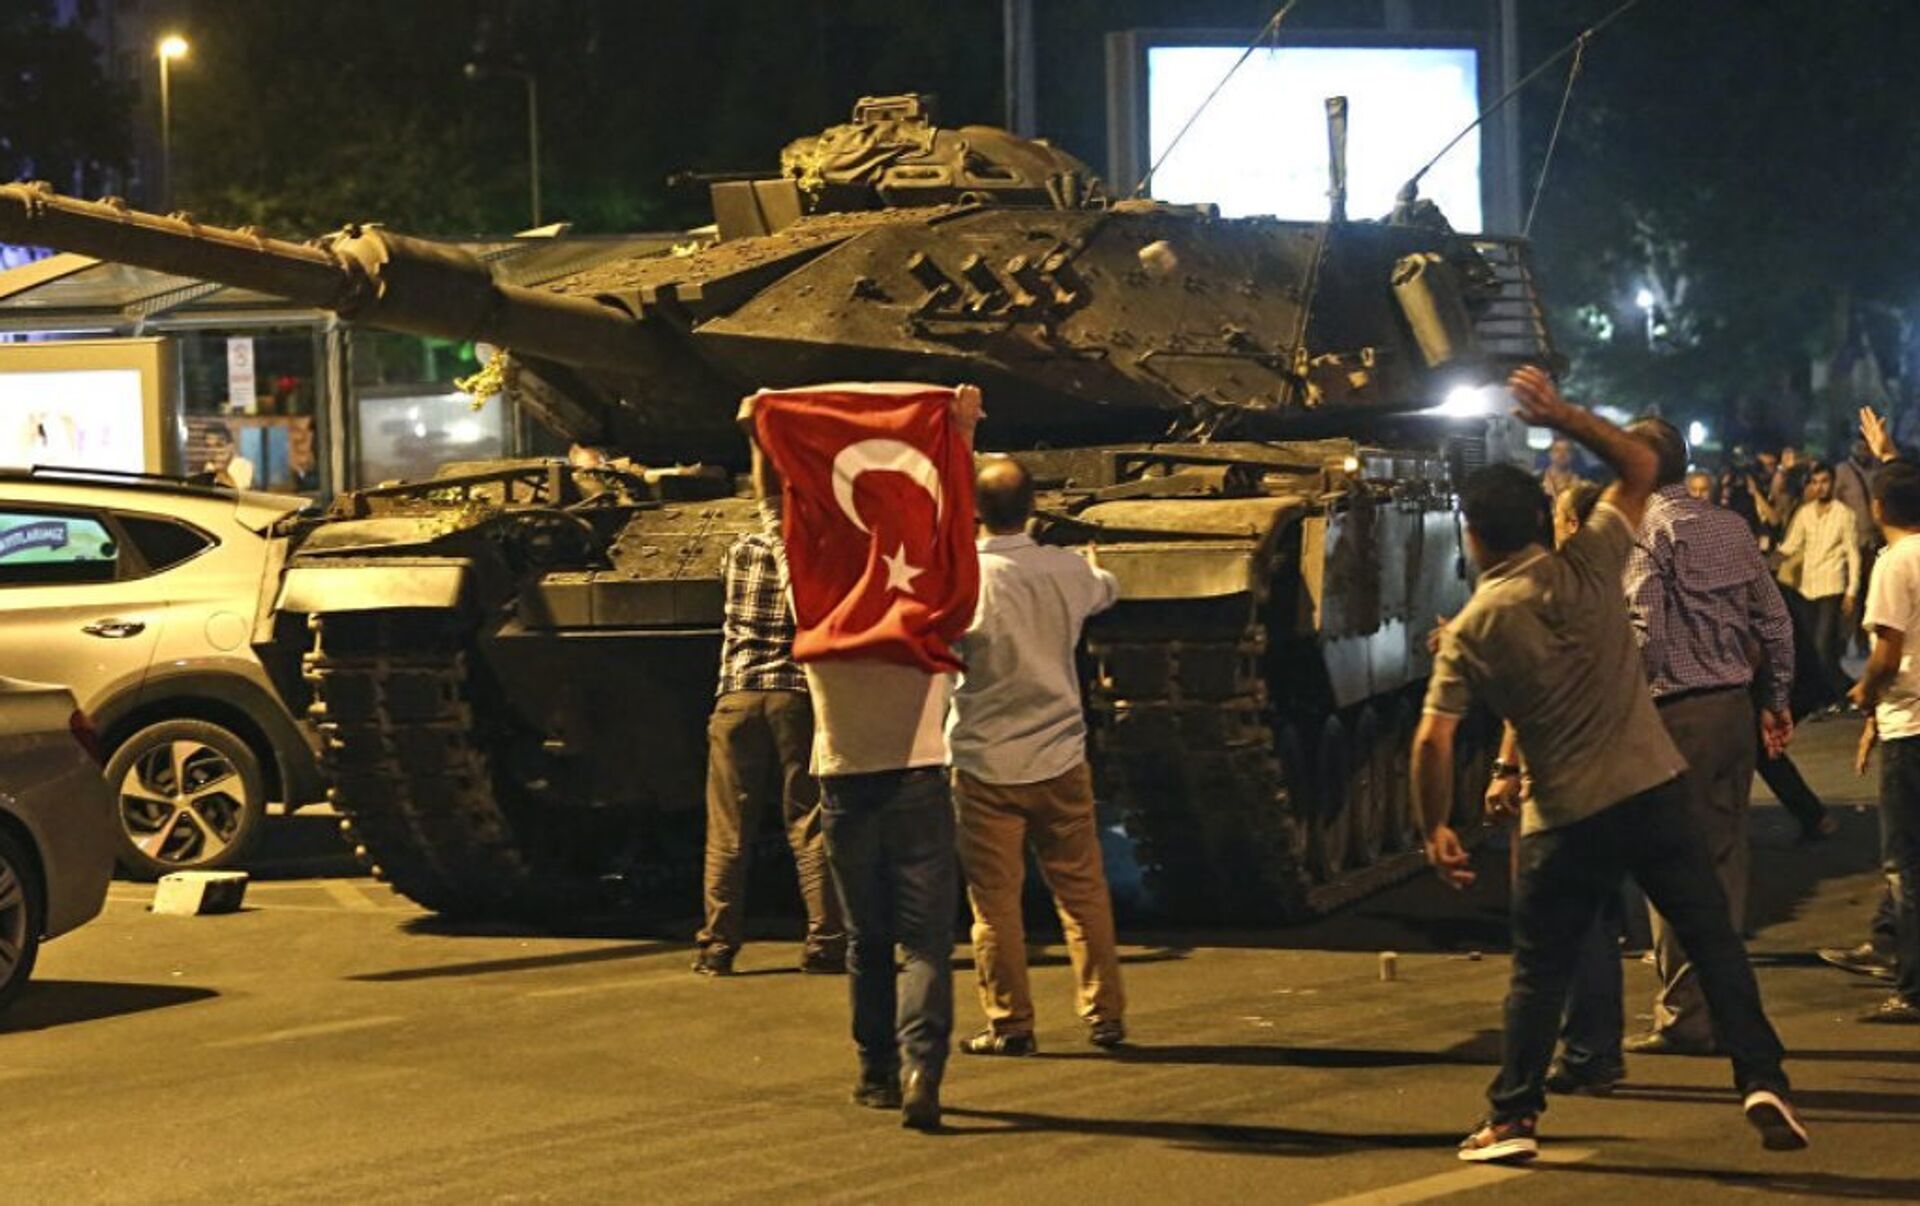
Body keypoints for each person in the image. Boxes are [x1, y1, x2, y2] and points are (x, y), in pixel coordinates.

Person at [1418, 366, 1806, 1162]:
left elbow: (1432, 740)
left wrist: (1436, 827)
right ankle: (1762, 1077)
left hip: (1566, 811)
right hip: (1653, 785)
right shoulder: (1594, 560)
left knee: (1539, 971)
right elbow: (1639, 464)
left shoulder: (1473, 627)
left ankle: (1514, 1117)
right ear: (1544, 520)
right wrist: (1561, 414)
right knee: (1713, 939)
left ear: (1473, 536)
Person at [742, 384, 983, 1131]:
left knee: (867, 941)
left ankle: (874, 1071)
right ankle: (921, 1070)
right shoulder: (929, 614)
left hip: (845, 793)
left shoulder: (818, 617)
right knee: (926, 944)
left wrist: (762, 437)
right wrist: (962, 436)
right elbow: (955, 530)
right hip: (920, 788)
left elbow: (778, 520)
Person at [1622, 416, 1795, 1057]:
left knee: (1671, 866)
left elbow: (1645, 635)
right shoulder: (1731, 527)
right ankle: (1723, 1010)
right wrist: (1775, 699)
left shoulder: (1646, 533)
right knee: (1725, 864)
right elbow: (1775, 622)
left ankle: (1685, 1017)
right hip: (1732, 712)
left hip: (1674, 717)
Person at [948, 457, 1126, 1057]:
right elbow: (1106, 590)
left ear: (975, 510)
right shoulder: (1066, 569)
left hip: (983, 764)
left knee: (994, 906)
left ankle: (1010, 1024)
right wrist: (1090, 564)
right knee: (1082, 892)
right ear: (1032, 506)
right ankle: (1104, 1014)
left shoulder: (960, 577)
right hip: (1060, 759)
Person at [691, 517, 845, 978]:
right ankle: (826, 941)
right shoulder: (819, 551)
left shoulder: (739, 550)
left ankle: (718, 946)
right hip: (795, 697)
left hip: (737, 695)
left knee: (728, 830)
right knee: (808, 823)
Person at [1845, 458, 1920, 1024]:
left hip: (1909, 727)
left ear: (1877, 508)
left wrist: (1865, 693)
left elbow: (1887, 655)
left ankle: (1913, 988)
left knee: (1905, 866)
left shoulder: (1895, 563)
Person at [1775, 462, 1861, 699]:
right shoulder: (1805, 513)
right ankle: (1830, 694)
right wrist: (1767, 559)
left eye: (1824, 481)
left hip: (1832, 585)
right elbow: (1791, 545)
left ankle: (1840, 692)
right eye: (1814, 482)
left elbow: (1852, 554)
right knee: (1812, 649)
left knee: (1823, 645)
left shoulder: (1844, 514)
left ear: (1833, 483)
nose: (1819, 487)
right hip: (1807, 587)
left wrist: (1852, 591)